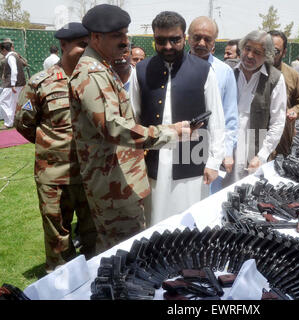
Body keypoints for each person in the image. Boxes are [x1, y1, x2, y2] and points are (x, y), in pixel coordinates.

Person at [69, 5, 191, 253]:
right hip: (113, 187)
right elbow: (114, 128)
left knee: (118, 250)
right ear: (96, 37)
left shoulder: (102, 67)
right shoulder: (92, 74)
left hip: (120, 181)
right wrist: (169, 133)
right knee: (123, 253)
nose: (125, 41)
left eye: (126, 34)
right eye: (117, 36)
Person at [14, 22, 97, 273]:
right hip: (54, 176)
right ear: (63, 45)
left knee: (93, 232)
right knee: (57, 234)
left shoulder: (97, 79)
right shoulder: (41, 83)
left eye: (90, 45)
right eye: (82, 45)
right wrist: (50, 145)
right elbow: (23, 123)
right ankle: (61, 282)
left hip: (91, 174)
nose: (87, 50)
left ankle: (94, 277)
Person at [129, 11, 225, 226]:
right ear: (154, 40)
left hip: (192, 160)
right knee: (155, 221)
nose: (168, 46)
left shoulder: (203, 70)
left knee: (189, 222)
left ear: (184, 37)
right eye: (161, 41)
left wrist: (213, 162)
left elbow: (217, 120)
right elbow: (133, 118)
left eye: (175, 39)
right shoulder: (141, 70)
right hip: (153, 161)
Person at [223, 30, 286, 185]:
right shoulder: (229, 72)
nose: (250, 56)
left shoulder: (275, 79)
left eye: (257, 52)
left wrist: (262, 155)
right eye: (247, 49)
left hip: (253, 150)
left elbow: (278, 122)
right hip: (226, 147)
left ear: (267, 56)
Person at [188, 16, 238, 194]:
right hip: (182, 146)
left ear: (214, 42)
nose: (201, 42)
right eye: (196, 37)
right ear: (188, 38)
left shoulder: (224, 72)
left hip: (212, 149)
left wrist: (226, 152)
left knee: (208, 198)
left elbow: (230, 116)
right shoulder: (175, 68)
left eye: (207, 39)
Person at [268, 30, 299, 157]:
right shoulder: (253, 72)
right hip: (255, 136)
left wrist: (294, 111)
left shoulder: (292, 75)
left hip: (281, 139)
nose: (269, 54)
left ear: (284, 52)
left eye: (275, 51)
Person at [0, 41, 26, 130]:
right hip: (18, 83)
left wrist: (13, 83)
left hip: (12, 84)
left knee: (3, 101)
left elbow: (14, 70)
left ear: (3, 50)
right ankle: (14, 121)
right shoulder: (15, 55)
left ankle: (8, 123)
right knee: (15, 103)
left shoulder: (10, 57)